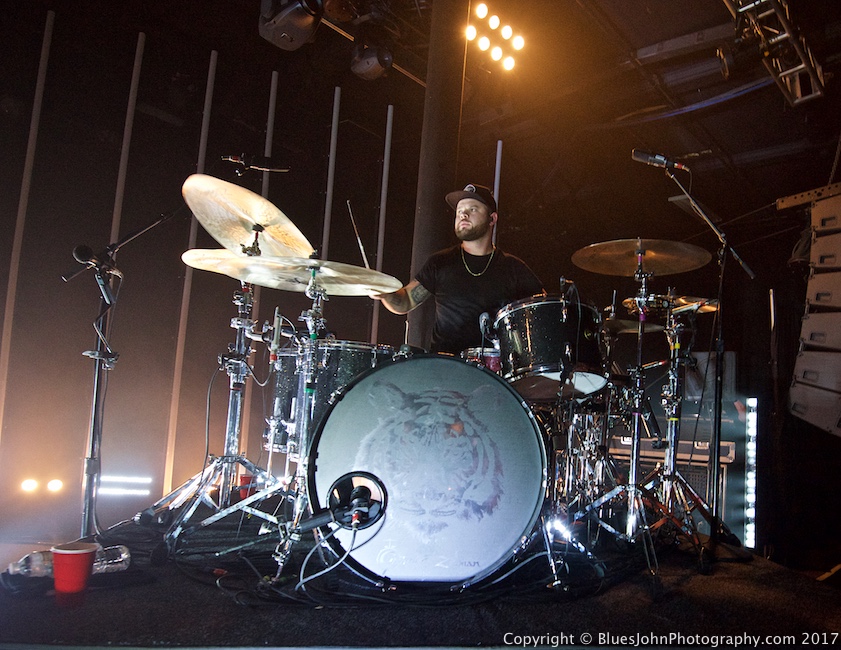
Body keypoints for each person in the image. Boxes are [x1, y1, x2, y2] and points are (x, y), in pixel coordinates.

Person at [374, 183, 544, 355]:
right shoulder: (440, 262)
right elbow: (406, 301)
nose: (463, 214)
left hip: (493, 370)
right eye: (459, 211)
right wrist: (384, 293)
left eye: (473, 209)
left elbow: (541, 314)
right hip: (445, 366)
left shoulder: (514, 268)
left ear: (492, 219)